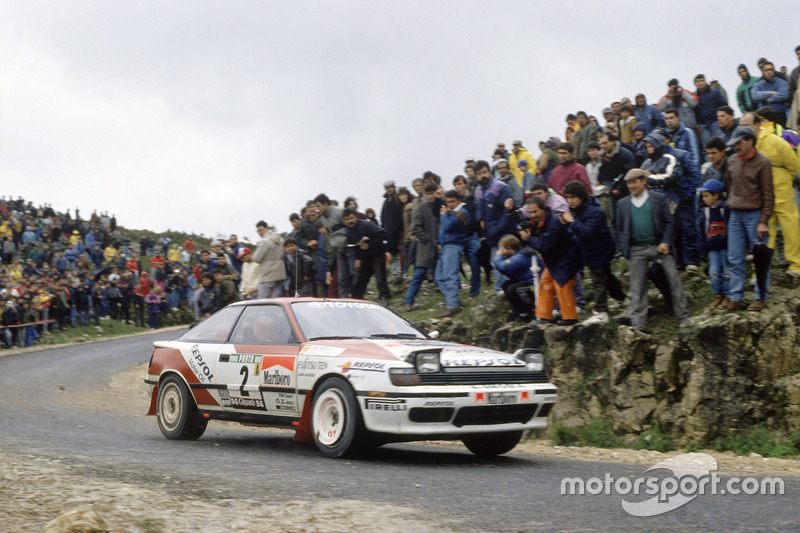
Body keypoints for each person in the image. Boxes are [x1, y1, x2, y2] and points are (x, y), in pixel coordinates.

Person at [614, 169, 690, 331]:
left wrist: (665, 242)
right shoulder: (622, 204)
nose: (631, 186)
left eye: (635, 182)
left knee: (673, 279)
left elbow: (670, 222)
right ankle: (638, 324)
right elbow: (619, 228)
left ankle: (684, 316)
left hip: (658, 246)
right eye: (629, 183)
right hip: (635, 250)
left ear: (644, 181)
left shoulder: (658, 198)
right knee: (637, 286)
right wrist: (623, 247)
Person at [724, 126, 775, 312]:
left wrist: (763, 220)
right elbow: (729, 187)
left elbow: (769, 194)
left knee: (760, 258)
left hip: (755, 214)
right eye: (735, 143)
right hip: (735, 214)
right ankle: (736, 297)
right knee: (734, 257)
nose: (736, 147)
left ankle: (761, 296)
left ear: (750, 140)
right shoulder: (731, 161)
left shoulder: (763, 162)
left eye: (739, 143)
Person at [561, 180, 625, 324]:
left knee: (598, 279)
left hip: (601, 249)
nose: (569, 201)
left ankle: (602, 311)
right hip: (589, 251)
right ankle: (622, 299)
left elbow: (587, 232)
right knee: (606, 276)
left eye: (573, 197)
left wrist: (572, 222)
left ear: (581, 196)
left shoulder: (594, 211)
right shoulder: (578, 210)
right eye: (567, 197)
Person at [747, 109, 800, 279]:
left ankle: (763, 270)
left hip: (777, 190)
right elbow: (794, 165)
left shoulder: (784, 136)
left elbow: (794, 164)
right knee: (781, 228)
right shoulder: (752, 141)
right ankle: (794, 265)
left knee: (775, 229)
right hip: (775, 189)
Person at [519, 195, 581, 326]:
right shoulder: (541, 220)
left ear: (542, 209)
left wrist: (528, 239)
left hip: (567, 256)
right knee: (545, 283)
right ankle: (543, 316)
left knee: (562, 284)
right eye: (530, 212)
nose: (532, 215)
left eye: (535, 211)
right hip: (555, 258)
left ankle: (570, 317)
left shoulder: (553, 222)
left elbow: (545, 246)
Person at [473, 160, 516, 291]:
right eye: (479, 173)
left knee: (507, 261)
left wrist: (500, 227)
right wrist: (480, 220)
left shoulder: (501, 187)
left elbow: (508, 210)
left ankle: (510, 289)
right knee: (495, 262)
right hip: (490, 232)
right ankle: (501, 290)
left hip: (504, 231)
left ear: (490, 171)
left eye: (485, 172)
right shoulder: (478, 190)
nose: (482, 175)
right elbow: (478, 209)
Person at [403, 183, 439, 310]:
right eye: (429, 193)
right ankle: (408, 301)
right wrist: (426, 238)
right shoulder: (421, 206)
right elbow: (416, 227)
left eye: (433, 193)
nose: (431, 196)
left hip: (441, 244)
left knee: (443, 272)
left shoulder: (442, 204)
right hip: (425, 246)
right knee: (419, 273)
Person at [343, 208, 391, 305]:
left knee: (380, 278)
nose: (350, 221)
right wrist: (358, 258)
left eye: (351, 218)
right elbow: (354, 247)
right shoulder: (347, 232)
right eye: (347, 219)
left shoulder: (367, 225)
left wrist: (370, 244)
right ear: (344, 220)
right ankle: (356, 301)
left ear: (355, 216)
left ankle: (385, 298)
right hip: (364, 258)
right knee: (359, 282)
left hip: (377, 254)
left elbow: (383, 234)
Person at [436, 190, 470, 317]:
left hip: (453, 245)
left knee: (450, 275)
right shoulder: (450, 212)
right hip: (445, 245)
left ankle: (452, 305)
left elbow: (448, 226)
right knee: (439, 276)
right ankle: (451, 301)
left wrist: (443, 215)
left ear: (459, 200)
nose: (450, 204)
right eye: (448, 202)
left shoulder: (461, 212)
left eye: (452, 201)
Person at [697, 179, 729, 309]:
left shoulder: (725, 208)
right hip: (712, 247)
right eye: (703, 196)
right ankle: (717, 295)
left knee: (727, 272)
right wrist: (702, 249)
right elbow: (701, 231)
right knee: (714, 271)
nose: (704, 199)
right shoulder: (705, 212)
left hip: (726, 246)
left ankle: (728, 295)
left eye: (706, 196)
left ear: (716, 195)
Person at [314, 193, 352, 297]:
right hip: (338, 250)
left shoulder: (339, 212)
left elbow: (351, 227)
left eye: (318, 206)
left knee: (354, 275)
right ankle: (344, 302)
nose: (317, 209)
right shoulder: (322, 219)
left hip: (350, 248)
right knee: (341, 279)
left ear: (325, 204)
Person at [493, 235, 535, 322]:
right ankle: (518, 312)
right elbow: (506, 271)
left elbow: (504, 266)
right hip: (527, 282)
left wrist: (498, 257)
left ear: (509, 247)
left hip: (536, 285)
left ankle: (526, 313)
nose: (501, 251)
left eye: (502, 248)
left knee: (514, 289)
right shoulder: (517, 255)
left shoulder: (521, 256)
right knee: (506, 284)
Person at [453, 175, 482, 298]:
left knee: (475, 265)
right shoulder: (452, 200)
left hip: (471, 236)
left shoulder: (472, 199)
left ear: (466, 184)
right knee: (454, 267)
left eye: (460, 184)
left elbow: (478, 215)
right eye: (456, 184)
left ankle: (474, 292)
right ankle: (456, 293)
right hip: (458, 238)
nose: (458, 187)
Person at [252, 220, 286, 299]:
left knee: (262, 302)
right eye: (258, 231)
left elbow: (256, 259)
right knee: (274, 301)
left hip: (267, 275)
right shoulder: (281, 240)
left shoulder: (264, 242)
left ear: (267, 228)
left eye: (261, 230)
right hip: (279, 274)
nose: (259, 233)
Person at [751, 62, 790, 127]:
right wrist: (770, 93)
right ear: (763, 72)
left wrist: (765, 99)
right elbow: (755, 96)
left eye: (771, 70)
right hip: (764, 120)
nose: (769, 72)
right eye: (766, 70)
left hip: (780, 117)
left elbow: (784, 95)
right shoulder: (758, 84)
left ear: (774, 71)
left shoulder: (782, 83)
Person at [380, 180, 404, 284]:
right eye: (386, 188)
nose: (388, 189)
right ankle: (395, 275)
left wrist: (396, 227)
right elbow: (383, 216)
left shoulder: (397, 199)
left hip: (397, 232)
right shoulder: (386, 201)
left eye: (390, 187)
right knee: (393, 254)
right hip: (388, 232)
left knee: (397, 253)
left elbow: (400, 216)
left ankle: (398, 274)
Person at [694, 74, 726, 145]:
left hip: (715, 122)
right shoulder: (694, 96)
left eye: (702, 80)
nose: (700, 83)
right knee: (707, 147)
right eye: (698, 81)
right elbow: (694, 111)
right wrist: (696, 124)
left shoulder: (714, 92)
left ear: (705, 81)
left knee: (721, 144)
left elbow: (723, 105)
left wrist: (722, 119)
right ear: (695, 84)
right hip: (702, 125)